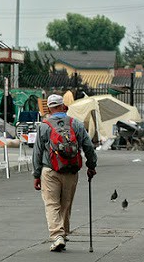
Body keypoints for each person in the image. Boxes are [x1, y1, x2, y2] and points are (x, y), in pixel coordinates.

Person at [33, 93, 97, 252]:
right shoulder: (76, 124)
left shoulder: (44, 126)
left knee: (52, 203)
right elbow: (88, 146)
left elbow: (37, 152)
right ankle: (63, 232)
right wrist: (91, 165)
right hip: (71, 170)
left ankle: (57, 235)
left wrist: (36, 175)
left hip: (50, 170)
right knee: (66, 203)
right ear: (63, 106)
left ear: (49, 107)